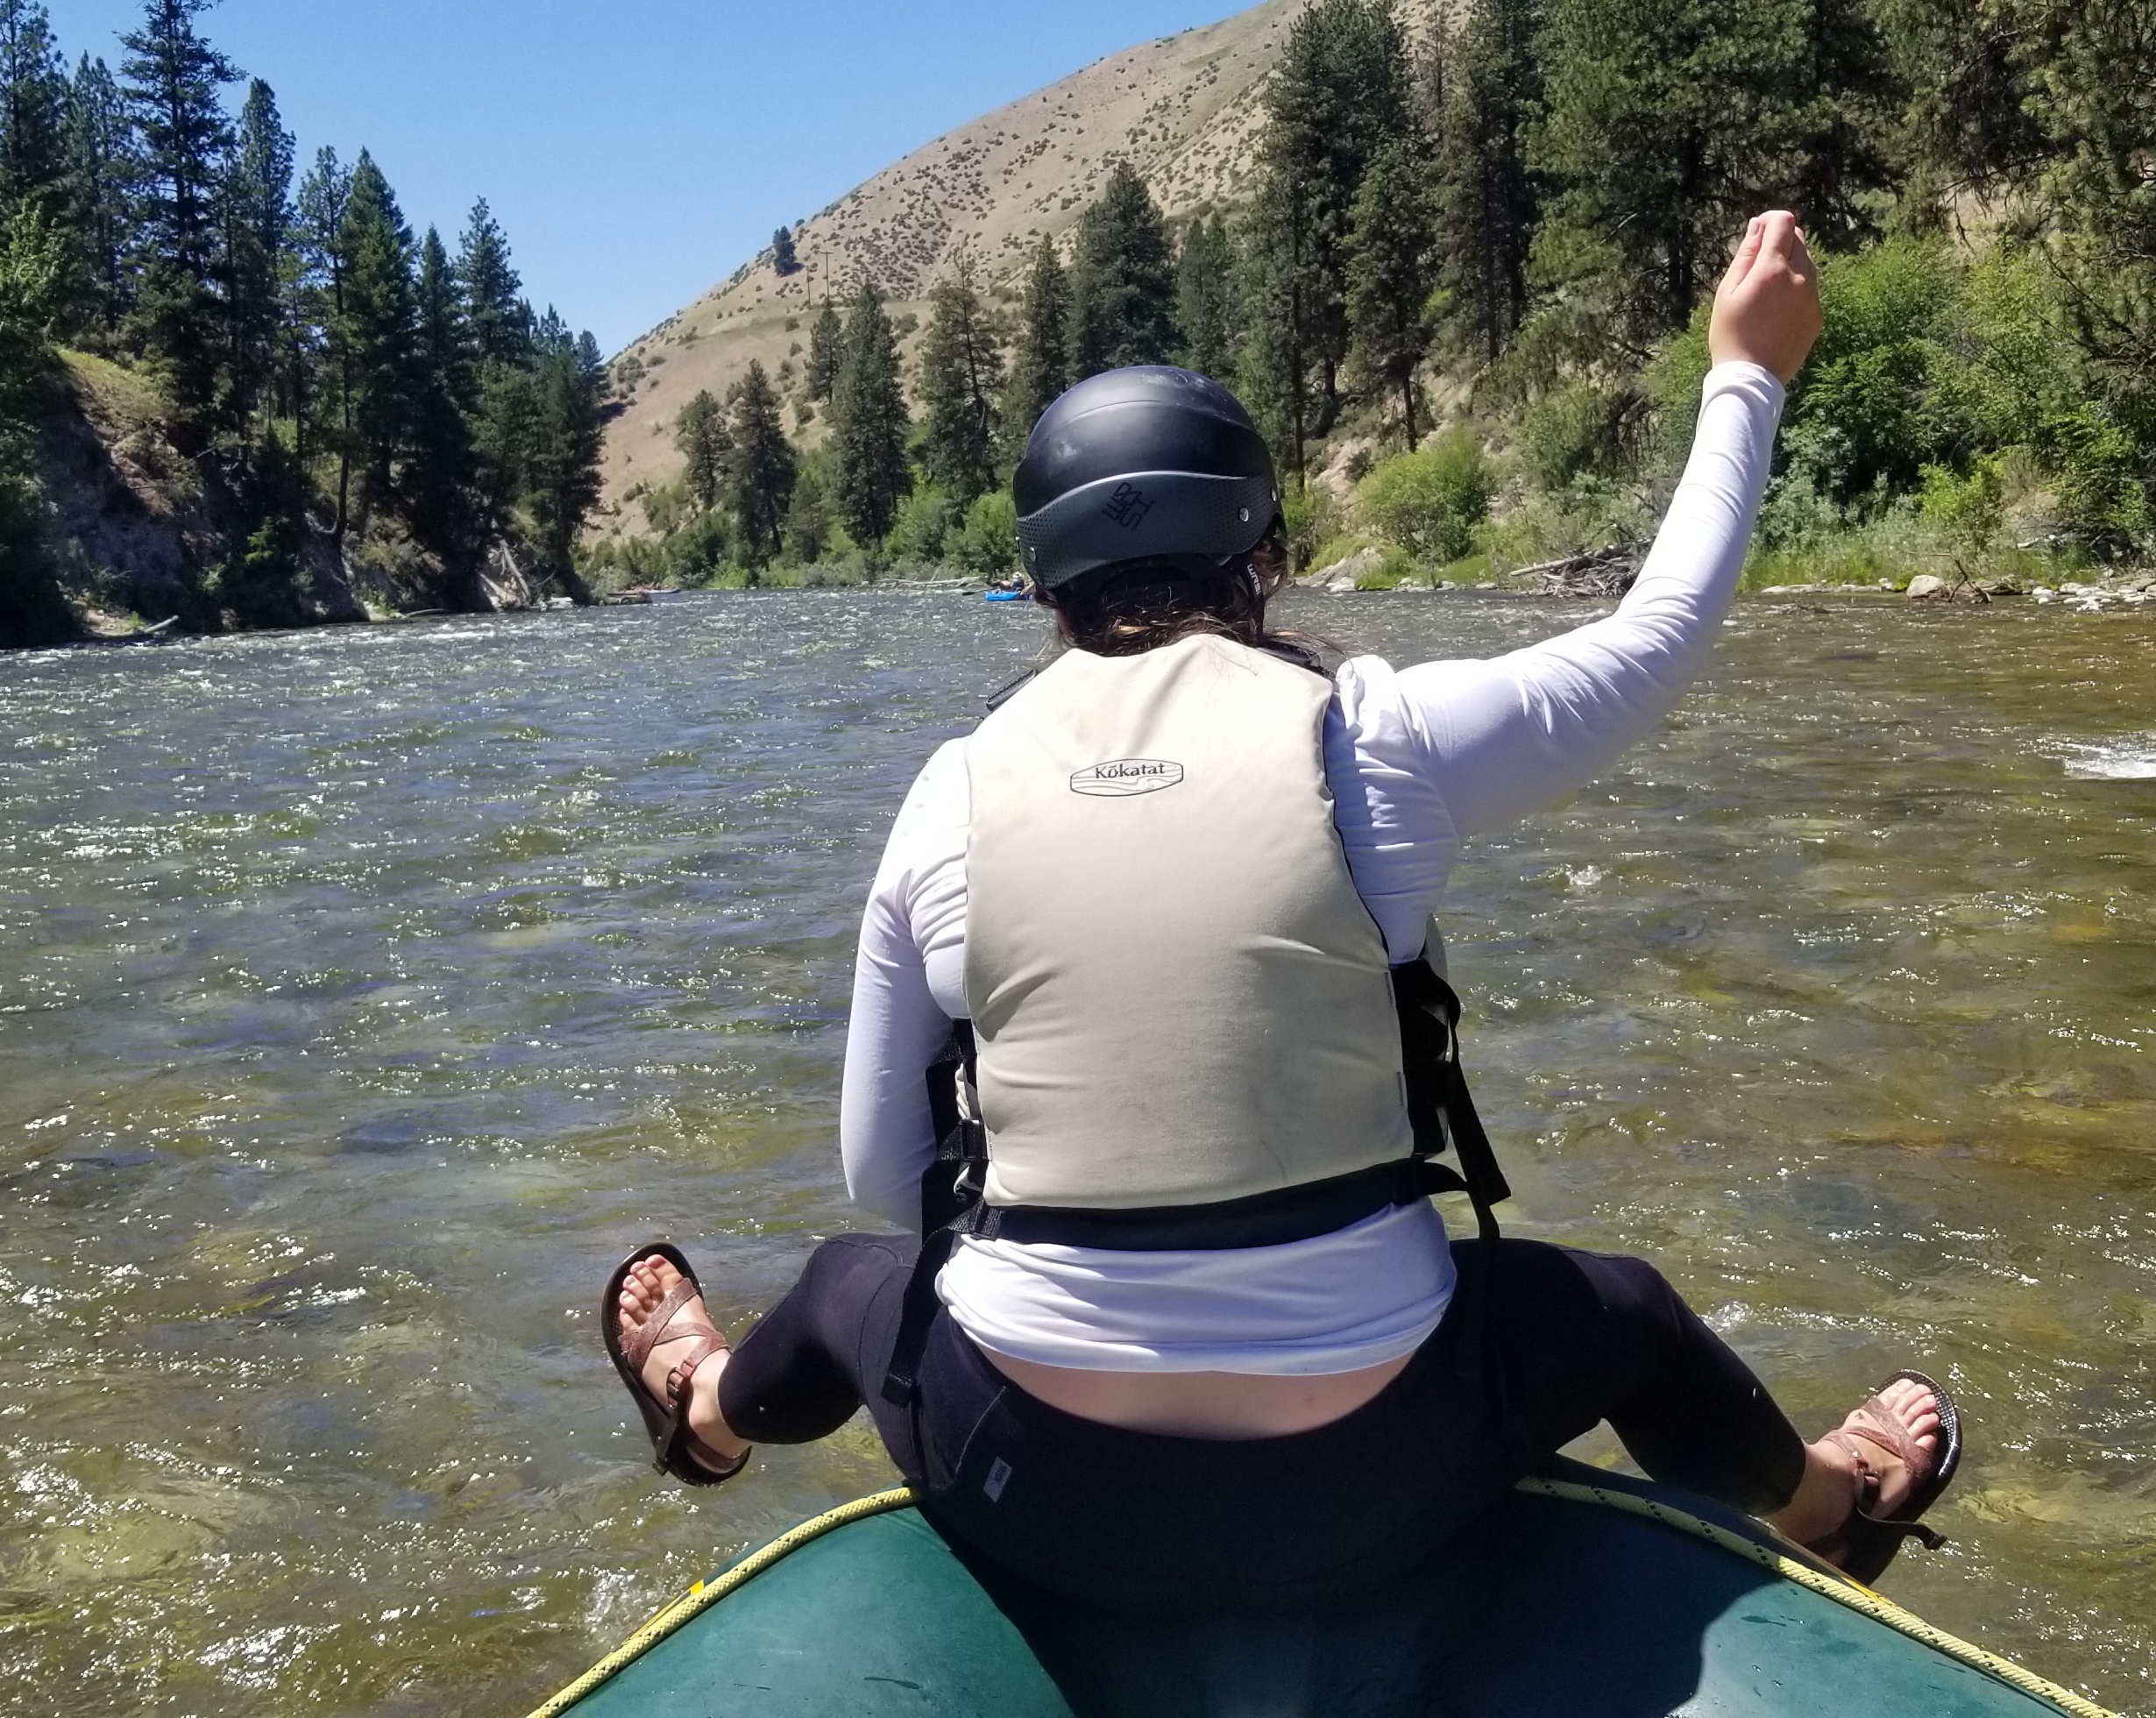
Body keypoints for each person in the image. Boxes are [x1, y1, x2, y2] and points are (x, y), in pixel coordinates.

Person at [606, 210, 1957, 1612]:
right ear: (1264, 551)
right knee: (1624, 1313)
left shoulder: (948, 796)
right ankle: (1834, 1505)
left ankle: (705, 1410)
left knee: (847, 1280)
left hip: (1035, 1493)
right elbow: (1653, 636)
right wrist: (1748, 374)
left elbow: (889, 1180)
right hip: (1378, 1487)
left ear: (1049, 591)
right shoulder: (1379, 737)